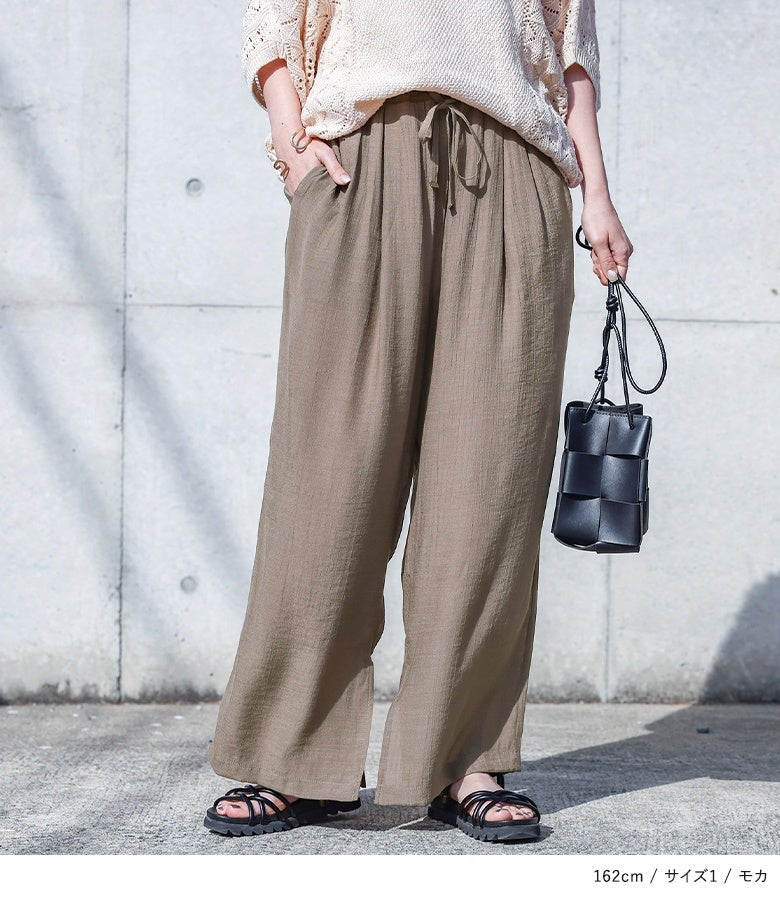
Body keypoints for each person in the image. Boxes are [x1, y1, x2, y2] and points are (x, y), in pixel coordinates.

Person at [203, 0, 632, 843]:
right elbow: (273, 19)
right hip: (362, 159)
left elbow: (569, 51)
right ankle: (294, 759)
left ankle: (466, 760)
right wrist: (291, 140)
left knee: (487, 487)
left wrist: (599, 196)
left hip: (515, 166)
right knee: (326, 483)